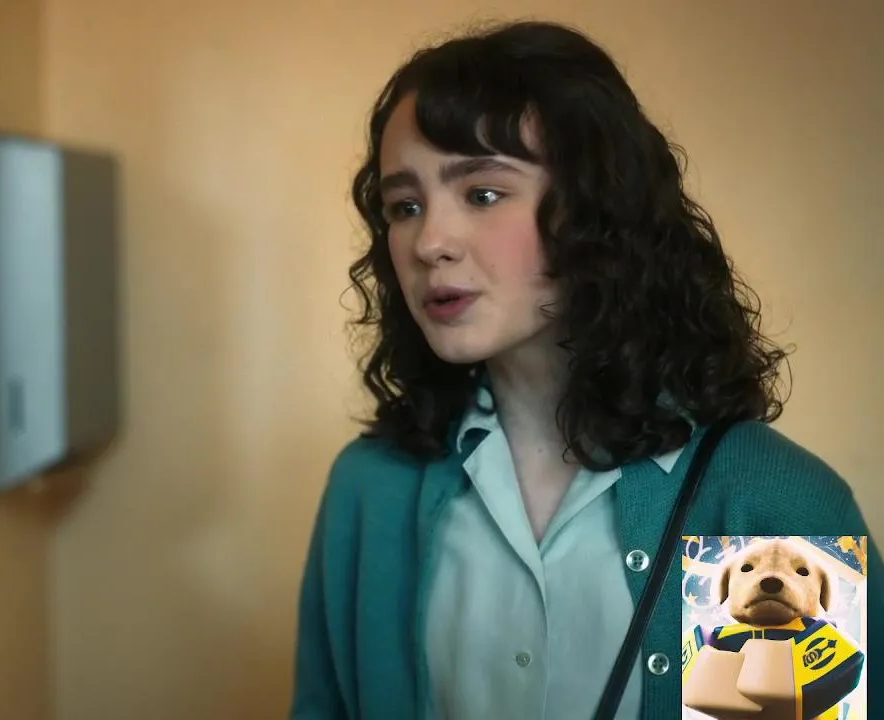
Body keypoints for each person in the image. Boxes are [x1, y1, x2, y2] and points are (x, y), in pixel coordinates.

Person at [290, 20, 880, 720]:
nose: (429, 242)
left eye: (482, 194)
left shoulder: (765, 503)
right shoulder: (372, 489)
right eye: (405, 207)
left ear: (597, 207)